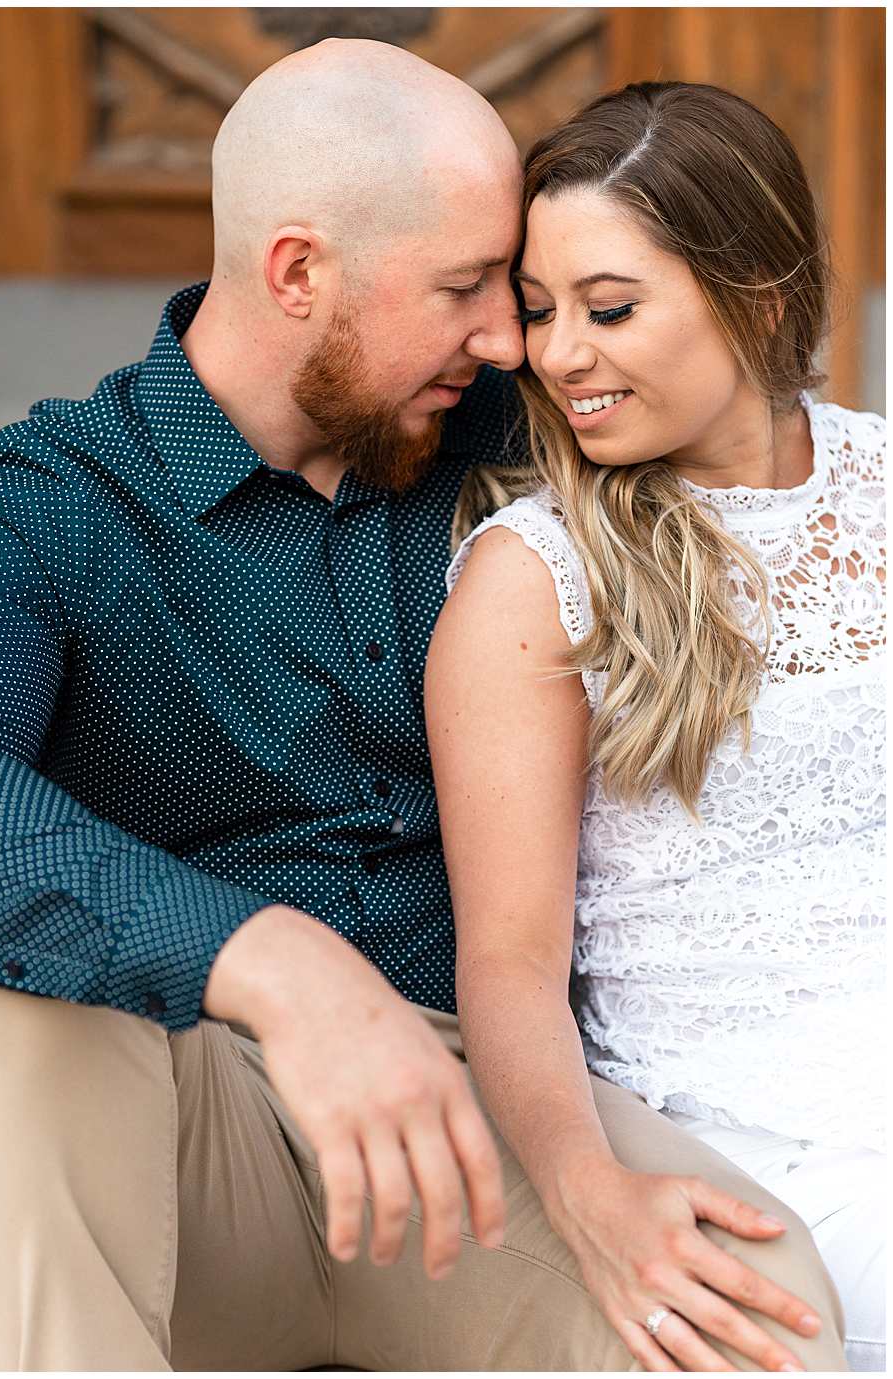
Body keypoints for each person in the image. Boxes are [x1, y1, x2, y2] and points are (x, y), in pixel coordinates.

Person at [0, 39, 848, 1371]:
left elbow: (747, 438)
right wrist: (274, 963)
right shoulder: (40, 508)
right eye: (469, 288)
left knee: (760, 1310)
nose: (511, 340)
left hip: (472, 1126)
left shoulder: (513, 426)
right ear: (298, 271)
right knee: (4, 997)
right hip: (196, 1121)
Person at [432, 81, 884, 1372]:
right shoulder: (535, 574)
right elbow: (509, 964)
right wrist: (586, 1187)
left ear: (754, 295)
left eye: (607, 307)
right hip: (752, 1121)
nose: (557, 352)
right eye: (537, 309)